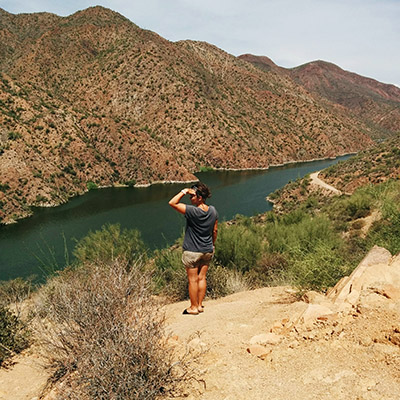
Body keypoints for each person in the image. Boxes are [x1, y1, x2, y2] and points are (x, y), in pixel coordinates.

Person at [169, 182, 218, 315]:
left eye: (192, 196)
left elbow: (172, 203)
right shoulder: (213, 210)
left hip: (192, 251)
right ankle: (200, 305)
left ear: (200, 198)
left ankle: (193, 307)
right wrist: (212, 245)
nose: (190, 199)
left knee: (193, 279)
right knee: (202, 278)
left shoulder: (192, 211)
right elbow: (215, 230)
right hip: (207, 250)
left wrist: (184, 191)